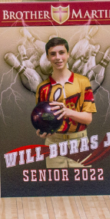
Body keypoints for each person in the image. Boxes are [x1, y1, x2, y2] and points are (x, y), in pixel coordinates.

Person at [35, 37, 96, 168]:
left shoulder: (83, 82)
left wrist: (67, 112)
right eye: (53, 54)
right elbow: (42, 119)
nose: (58, 57)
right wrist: (43, 130)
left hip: (79, 143)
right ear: (47, 57)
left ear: (68, 54)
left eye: (61, 52)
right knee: (56, 188)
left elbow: (88, 119)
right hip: (53, 143)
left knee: (82, 187)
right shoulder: (42, 88)